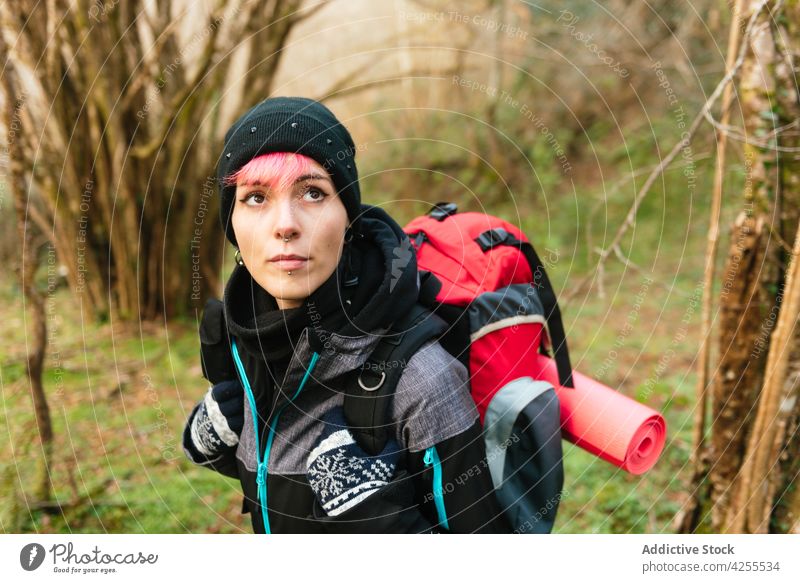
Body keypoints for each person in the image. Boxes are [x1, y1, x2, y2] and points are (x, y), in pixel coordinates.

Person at [182, 96, 511, 533]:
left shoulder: (421, 381)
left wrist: (382, 525)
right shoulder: (243, 339)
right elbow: (275, 473)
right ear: (233, 227)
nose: (285, 224)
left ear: (348, 216)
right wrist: (223, 446)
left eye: (313, 193)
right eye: (256, 197)